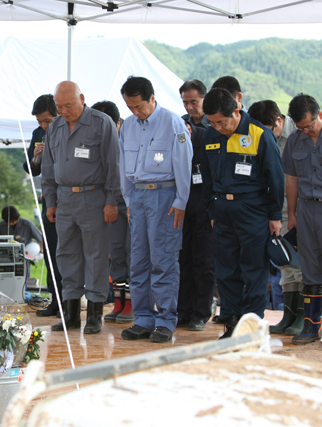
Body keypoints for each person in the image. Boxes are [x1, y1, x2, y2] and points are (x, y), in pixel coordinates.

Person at [201, 88, 284, 339]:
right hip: (222, 210)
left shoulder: (260, 134)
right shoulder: (209, 136)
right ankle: (233, 322)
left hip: (252, 209)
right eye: (212, 122)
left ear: (236, 111)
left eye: (222, 122)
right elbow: (205, 178)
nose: (218, 127)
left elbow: (276, 178)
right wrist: (211, 211)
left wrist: (274, 216)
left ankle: (252, 326)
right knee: (226, 270)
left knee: (253, 269)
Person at [42, 81, 121, 335]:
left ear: (82, 99)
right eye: (59, 106)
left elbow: (113, 165)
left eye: (68, 104)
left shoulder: (101, 123)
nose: (64, 110)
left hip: (94, 198)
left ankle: (96, 314)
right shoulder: (54, 127)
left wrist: (112, 201)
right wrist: (50, 201)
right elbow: (47, 169)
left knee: (96, 256)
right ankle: (71, 314)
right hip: (64, 200)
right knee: (66, 256)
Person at [118, 76, 192, 343]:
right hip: (137, 197)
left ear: (152, 98)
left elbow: (184, 164)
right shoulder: (127, 126)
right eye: (130, 107)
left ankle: (165, 320)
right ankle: (143, 318)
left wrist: (181, 201)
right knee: (138, 261)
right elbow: (122, 165)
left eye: (138, 106)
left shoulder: (172, 123)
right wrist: (127, 200)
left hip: (165, 196)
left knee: (163, 260)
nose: (135, 112)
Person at [283, 94, 322, 348]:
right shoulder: (295, 141)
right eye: (300, 127)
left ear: (320, 115)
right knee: (309, 268)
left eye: (309, 126)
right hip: (306, 210)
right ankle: (312, 326)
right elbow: (292, 179)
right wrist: (293, 213)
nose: (306, 131)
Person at [248, 100, 304, 336]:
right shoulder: (259, 136)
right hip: (276, 210)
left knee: (302, 265)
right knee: (286, 264)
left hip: (299, 210)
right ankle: (288, 315)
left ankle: (303, 316)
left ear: (279, 121)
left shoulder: (298, 136)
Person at [91, 100, 134, 324]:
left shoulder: (131, 137)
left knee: (131, 252)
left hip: (130, 203)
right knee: (115, 253)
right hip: (110, 202)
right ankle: (119, 301)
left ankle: (133, 303)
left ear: (117, 122)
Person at [22, 94, 63, 318]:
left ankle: (70, 301)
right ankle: (54, 299)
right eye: (39, 122)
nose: (43, 126)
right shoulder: (38, 134)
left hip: (70, 197)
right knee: (50, 252)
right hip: (49, 200)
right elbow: (30, 168)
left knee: (68, 253)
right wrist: (35, 157)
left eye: (47, 121)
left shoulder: (67, 129)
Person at [177, 120, 215, 332]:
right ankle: (183, 310)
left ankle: (201, 312)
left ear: (189, 129)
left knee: (204, 261)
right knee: (183, 260)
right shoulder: (173, 139)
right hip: (181, 206)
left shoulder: (206, 138)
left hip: (204, 205)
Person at [0, 206, 43, 288]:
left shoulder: (27, 225)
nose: (10, 224)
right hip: (7, 260)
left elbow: (41, 239)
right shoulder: (2, 225)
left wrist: (41, 253)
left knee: (23, 284)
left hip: (23, 260)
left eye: (12, 221)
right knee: (7, 283)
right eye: (8, 222)